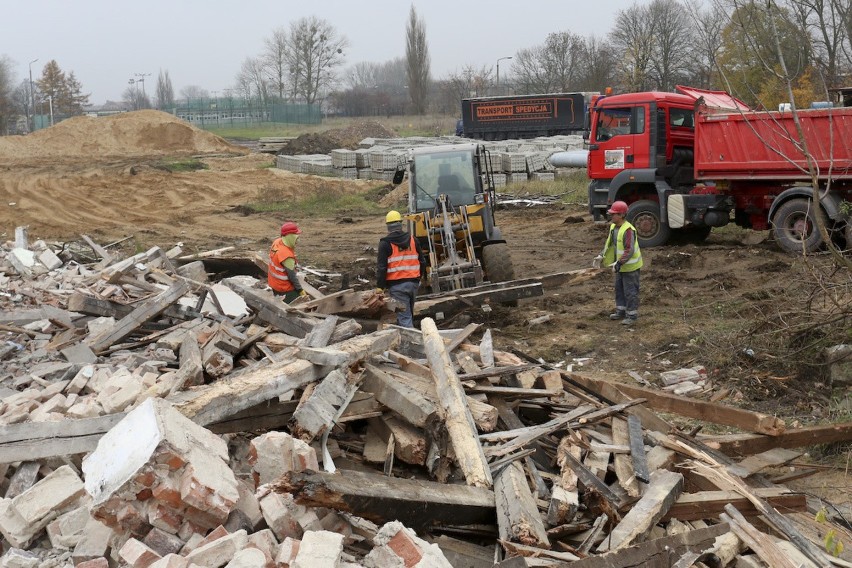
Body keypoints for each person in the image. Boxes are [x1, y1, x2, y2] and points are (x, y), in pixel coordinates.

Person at [594, 200, 643, 325]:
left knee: (630, 291)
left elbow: (629, 250)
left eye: (614, 214)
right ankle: (621, 311)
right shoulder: (613, 227)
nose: (611, 216)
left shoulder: (628, 230)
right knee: (619, 289)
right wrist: (601, 255)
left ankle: (632, 315)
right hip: (620, 267)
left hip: (630, 267)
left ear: (621, 215)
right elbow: (609, 244)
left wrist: (619, 263)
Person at [376, 210, 426, 328]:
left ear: (388, 226)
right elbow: (422, 262)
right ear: (400, 224)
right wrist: (418, 278)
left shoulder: (385, 244)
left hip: (397, 287)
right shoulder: (413, 240)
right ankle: (406, 340)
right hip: (413, 284)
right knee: (407, 314)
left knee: (405, 318)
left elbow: (382, 268)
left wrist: (380, 287)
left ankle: (411, 344)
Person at [268, 221, 307, 303]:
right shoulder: (286, 256)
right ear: (290, 236)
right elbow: (292, 277)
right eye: (296, 236)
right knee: (303, 303)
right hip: (284, 289)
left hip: (274, 284)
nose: (297, 239)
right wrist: (300, 291)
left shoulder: (277, 242)